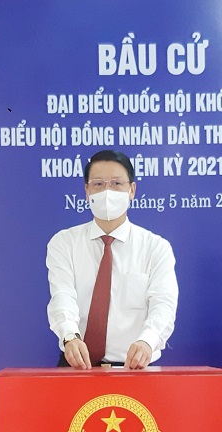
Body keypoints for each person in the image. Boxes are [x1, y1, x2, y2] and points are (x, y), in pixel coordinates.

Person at [46, 150, 178, 369]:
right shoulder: (64, 243)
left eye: (117, 184)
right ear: (87, 191)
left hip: (135, 367)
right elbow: (62, 295)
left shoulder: (156, 247)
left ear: (132, 190)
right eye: (98, 184)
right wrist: (70, 336)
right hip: (77, 364)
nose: (107, 191)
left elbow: (163, 304)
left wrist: (147, 341)